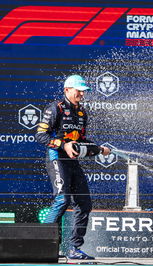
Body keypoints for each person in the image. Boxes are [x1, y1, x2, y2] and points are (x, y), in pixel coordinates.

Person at [35, 75, 110, 260]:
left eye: (83, 90)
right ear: (67, 90)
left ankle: (74, 249)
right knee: (62, 200)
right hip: (56, 157)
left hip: (72, 161)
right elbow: (40, 135)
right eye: (78, 90)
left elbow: (81, 141)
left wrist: (99, 149)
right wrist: (63, 145)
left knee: (84, 203)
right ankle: (40, 245)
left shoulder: (82, 113)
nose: (82, 94)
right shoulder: (56, 108)